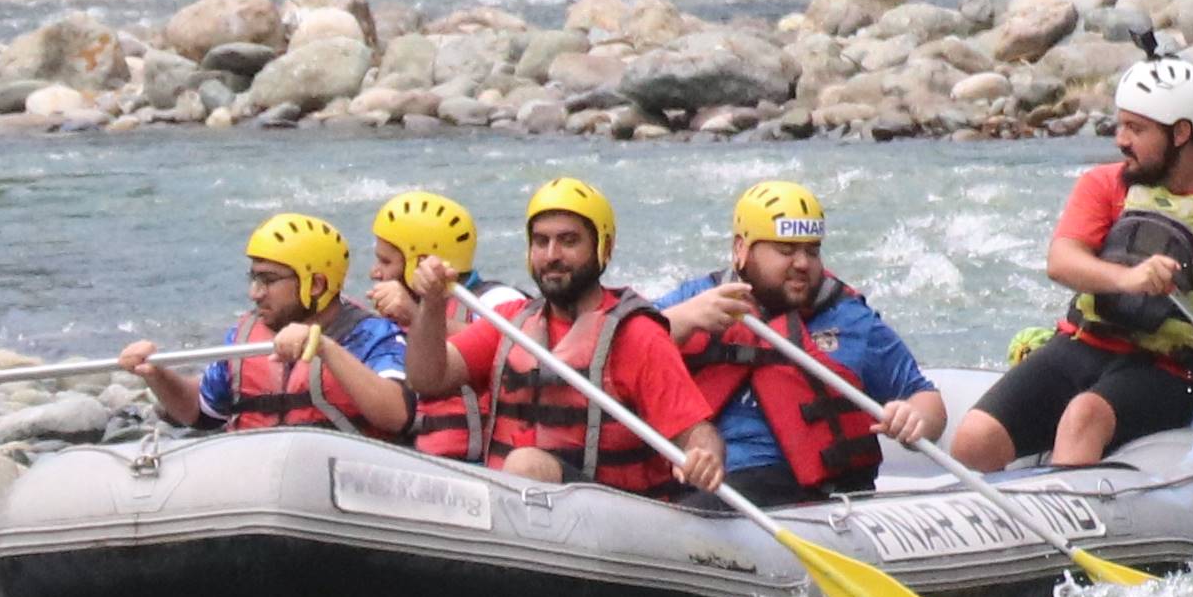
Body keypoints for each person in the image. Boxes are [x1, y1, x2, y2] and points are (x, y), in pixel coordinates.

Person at [951, 55, 1193, 474]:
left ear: (1180, 133)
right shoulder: (1103, 185)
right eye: (1121, 125)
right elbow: (1061, 261)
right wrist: (1128, 278)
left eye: (1136, 129)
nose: (1121, 140)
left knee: (1084, 415)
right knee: (974, 439)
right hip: (1080, 346)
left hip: (1168, 375)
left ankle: (1074, 504)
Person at [662, 179, 943, 507]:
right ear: (740, 250)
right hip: (700, 480)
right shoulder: (694, 300)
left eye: (812, 250)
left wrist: (915, 418)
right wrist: (680, 320)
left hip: (803, 495)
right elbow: (621, 346)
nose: (802, 263)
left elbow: (926, 398)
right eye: (785, 250)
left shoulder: (850, 319)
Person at [453, 176, 722, 498]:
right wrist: (428, 306)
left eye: (568, 241)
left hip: (618, 510)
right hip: (517, 505)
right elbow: (427, 377)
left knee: (525, 465)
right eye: (541, 241)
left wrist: (704, 456)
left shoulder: (637, 334)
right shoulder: (511, 321)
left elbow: (695, 432)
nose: (552, 255)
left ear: (602, 248)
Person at [131, 213, 402, 437]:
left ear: (316, 285)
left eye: (268, 280)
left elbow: (398, 415)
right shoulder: (245, 335)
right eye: (254, 279)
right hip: (257, 472)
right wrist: (157, 374)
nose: (255, 293)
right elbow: (202, 412)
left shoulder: (372, 335)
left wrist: (324, 347)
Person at [345, 190, 493, 458]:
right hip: (416, 459)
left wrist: (416, 315)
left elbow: (501, 348)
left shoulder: (494, 301)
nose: (374, 272)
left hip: (475, 467)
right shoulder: (384, 323)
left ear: (420, 264)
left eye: (385, 261)